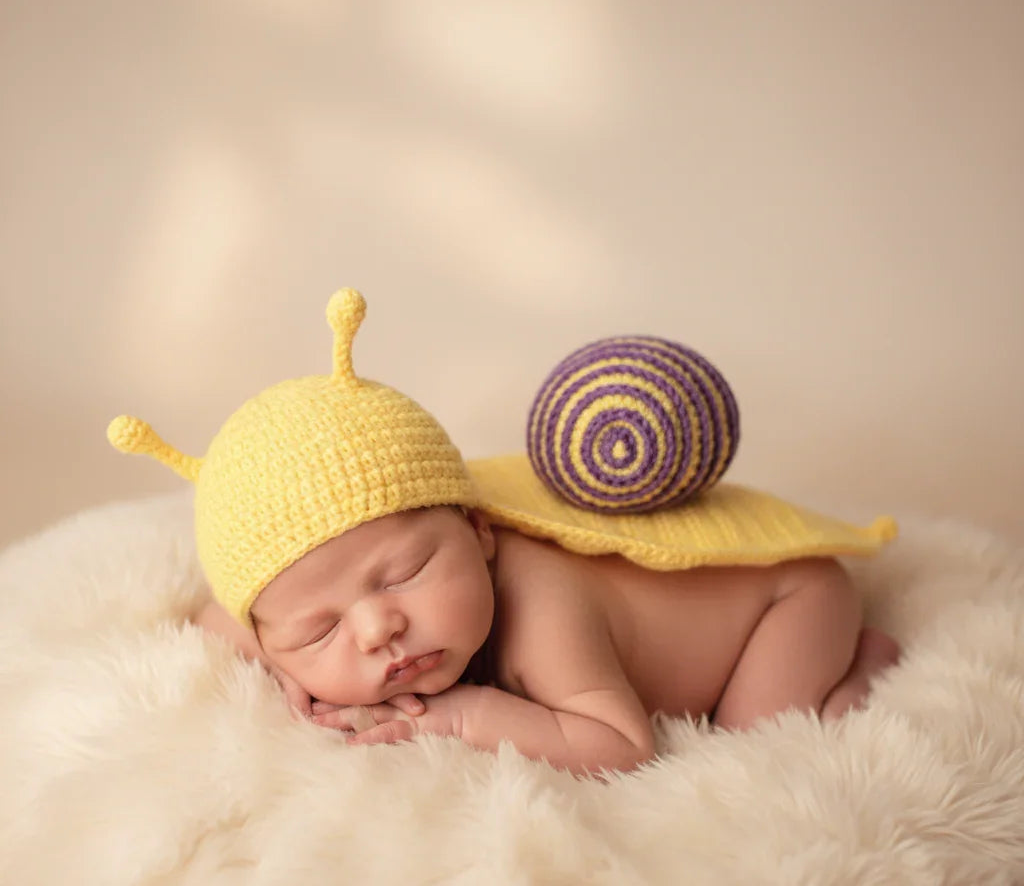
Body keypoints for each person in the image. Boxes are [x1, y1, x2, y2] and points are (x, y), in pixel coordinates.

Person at [110, 290, 900, 775]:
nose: (378, 628)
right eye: (319, 631)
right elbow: (223, 615)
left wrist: (463, 717)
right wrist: (281, 670)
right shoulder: (300, 611)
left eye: (402, 575)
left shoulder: (540, 610)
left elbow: (621, 744)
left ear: (480, 530)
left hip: (786, 601)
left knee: (752, 743)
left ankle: (854, 673)